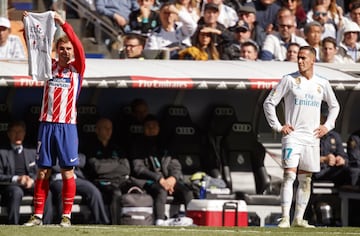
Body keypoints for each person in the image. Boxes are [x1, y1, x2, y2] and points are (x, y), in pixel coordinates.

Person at [263, 46, 340, 228]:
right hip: (293, 136)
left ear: (313, 60)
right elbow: (269, 102)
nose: (300, 61)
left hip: (312, 138)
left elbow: (335, 106)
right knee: (289, 176)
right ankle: (284, 218)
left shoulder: (322, 83)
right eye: (298, 58)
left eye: (304, 58)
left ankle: (298, 219)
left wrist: (327, 126)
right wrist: (278, 126)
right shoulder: (289, 80)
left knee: (305, 180)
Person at [23, 10, 86, 227]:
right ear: (57, 50)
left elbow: (79, 46)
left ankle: (66, 215)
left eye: (69, 49)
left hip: (67, 126)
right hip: (47, 125)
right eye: (62, 49)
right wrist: (28, 25)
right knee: (43, 171)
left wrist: (64, 24)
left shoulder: (77, 70)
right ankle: (37, 215)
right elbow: (34, 48)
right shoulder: (48, 66)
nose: (66, 52)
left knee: (68, 171)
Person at [130, 114, 193, 225]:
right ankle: (160, 221)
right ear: (143, 129)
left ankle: (193, 220)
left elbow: (175, 165)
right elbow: (138, 168)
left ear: (159, 128)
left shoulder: (166, 144)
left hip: (167, 180)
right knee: (161, 190)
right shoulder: (137, 144)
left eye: (154, 126)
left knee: (187, 191)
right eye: (148, 126)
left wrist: (173, 178)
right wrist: (159, 179)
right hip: (148, 180)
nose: (151, 128)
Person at [83, 118, 134, 224]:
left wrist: (108, 167)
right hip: (100, 182)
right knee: (115, 193)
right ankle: (116, 226)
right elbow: (97, 169)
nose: (108, 131)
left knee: (139, 190)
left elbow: (126, 168)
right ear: (97, 130)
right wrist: (116, 164)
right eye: (105, 128)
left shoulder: (116, 147)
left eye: (110, 128)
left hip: (119, 180)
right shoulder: (90, 147)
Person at [0, 121, 53, 225]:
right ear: (8, 134)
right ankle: (13, 225)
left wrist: (31, 180)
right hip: (11, 185)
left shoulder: (32, 151)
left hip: (29, 183)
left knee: (45, 191)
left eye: (20, 132)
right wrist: (17, 179)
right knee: (16, 192)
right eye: (14, 132)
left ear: (24, 133)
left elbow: (39, 171)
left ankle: (46, 225)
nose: (17, 135)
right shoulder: (2, 152)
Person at [50, 153, 110, 225]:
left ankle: (101, 221)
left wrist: (64, 161)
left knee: (93, 191)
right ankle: (64, 220)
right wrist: (69, 161)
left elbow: (82, 160)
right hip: (58, 179)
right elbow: (52, 164)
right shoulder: (52, 148)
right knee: (64, 191)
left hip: (75, 177)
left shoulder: (70, 145)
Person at [313, 104, 351, 186]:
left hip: (330, 171)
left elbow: (344, 157)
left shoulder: (334, 136)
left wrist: (342, 160)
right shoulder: (311, 135)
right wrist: (323, 159)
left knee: (350, 171)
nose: (326, 120)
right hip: (315, 172)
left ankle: (347, 197)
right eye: (324, 117)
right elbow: (304, 159)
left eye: (328, 118)